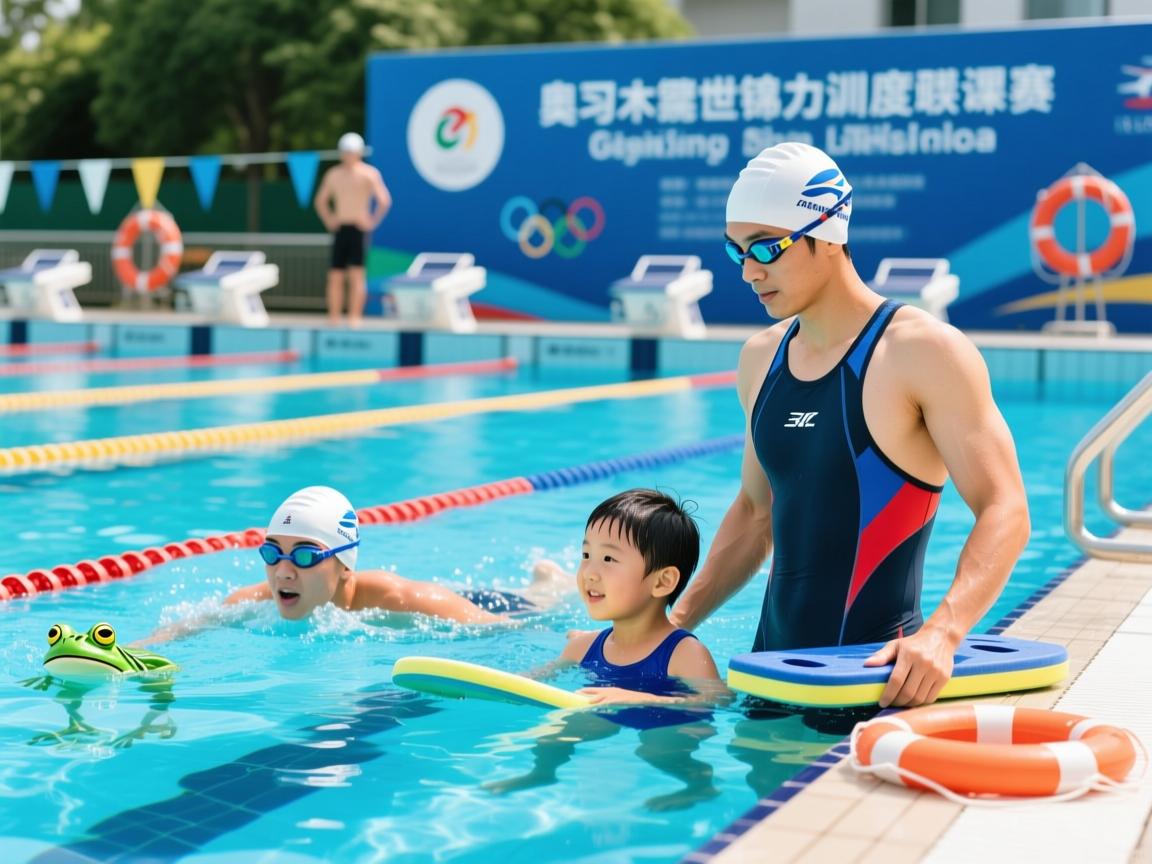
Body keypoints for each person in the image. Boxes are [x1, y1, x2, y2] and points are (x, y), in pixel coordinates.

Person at [669, 141, 1030, 709]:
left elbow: (1005, 506)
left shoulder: (920, 351)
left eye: (766, 247)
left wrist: (944, 633)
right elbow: (755, 510)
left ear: (828, 233)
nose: (747, 271)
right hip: (768, 678)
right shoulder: (759, 358)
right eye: (736, 250)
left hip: (874, 684)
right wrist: (673, 622)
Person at [485, 489, 727, 810]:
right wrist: (487, 687)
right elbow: (533, 679)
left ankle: (699, 784)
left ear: (662, 582)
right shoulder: (584, 646)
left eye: (608, 559)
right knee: (557, 730)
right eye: (586, 556)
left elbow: (717, 700)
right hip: (606, 711)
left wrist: (637, 699)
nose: (590, 572)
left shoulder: (683, 652)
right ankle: (542, 772)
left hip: (666, 718)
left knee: (656, 748)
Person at [136, 486, 566, 645]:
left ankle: (546, 582)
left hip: (483, 605)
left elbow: (505, 631)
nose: (283, 571)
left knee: (538, 603)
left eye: (304, 555)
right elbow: (186, 628)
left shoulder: (400, 598)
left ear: (344, 565)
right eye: (272, 552)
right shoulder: (256, 598)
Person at [313, 132, 392, 328]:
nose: (348, 155)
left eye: (351, 152)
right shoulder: (334, 174)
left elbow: (384, 201)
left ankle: (354, 318)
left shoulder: (369, 173)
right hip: (341, 228)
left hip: (358, 228)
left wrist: (372, 221)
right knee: (335, 276)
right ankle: (334, 317)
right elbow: (320, 201)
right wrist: (330, 220)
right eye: (345, 152)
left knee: (357, 276)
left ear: (358, 153)